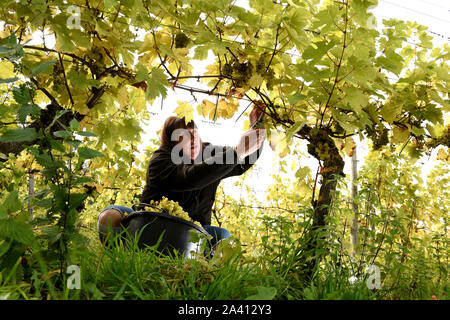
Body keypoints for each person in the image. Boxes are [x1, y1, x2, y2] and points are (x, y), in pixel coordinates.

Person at [97, 104, 266, 251]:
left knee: (224, 240)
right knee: (110, 216)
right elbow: (189, 178)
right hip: (150, 225)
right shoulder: (161, 159)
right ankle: (119, 256)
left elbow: (244, 160)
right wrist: (236, 152)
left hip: (194, 233)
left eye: (195, 134)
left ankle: (202, 274)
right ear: (172, 142)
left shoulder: (211, 154)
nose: (192, 140)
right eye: (184, 136)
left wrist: (256, 126)